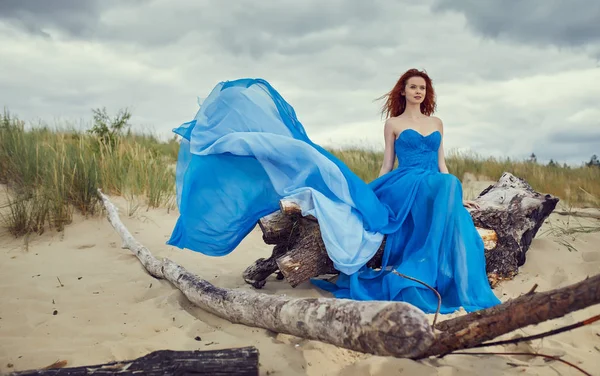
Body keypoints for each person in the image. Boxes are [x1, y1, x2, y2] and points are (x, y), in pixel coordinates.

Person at [167, 70, 501, 314]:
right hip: (404, 182)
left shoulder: (437, 123)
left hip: (435, 183)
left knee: (449, 184)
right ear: (403, 91)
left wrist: (459, 198)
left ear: (427, 93)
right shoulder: (394, 124)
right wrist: (371, 191)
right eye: (413, 86)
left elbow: (442, 162)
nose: (418, 91)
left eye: (422, 88)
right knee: (441, 187)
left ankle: (440, 246)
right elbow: (388, 164)